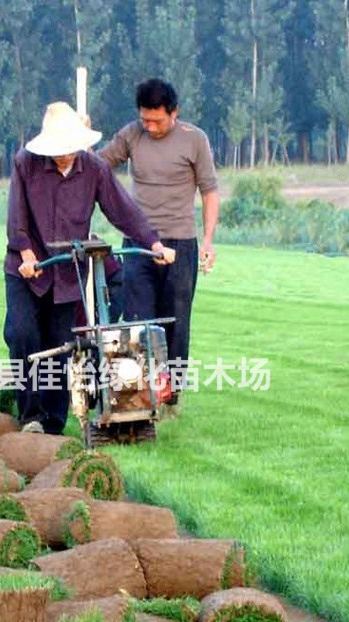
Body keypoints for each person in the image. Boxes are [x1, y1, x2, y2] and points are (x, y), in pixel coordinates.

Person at [4, 101, 174, 435]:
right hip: (28, 269)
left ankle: (52, 424)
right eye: (59, 150)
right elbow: (16, 215)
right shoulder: (26, 163)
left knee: (61, 344)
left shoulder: (94, 169)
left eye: (70, 149)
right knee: (24, 336)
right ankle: (30, 417)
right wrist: (25, 253)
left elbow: (123, 210)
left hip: (68, 271)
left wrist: (153, 244)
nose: (65, 156)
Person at [99, 78, 220, 405]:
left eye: (157, 120)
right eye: (145, 120)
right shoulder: (131, 135)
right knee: (138, 321)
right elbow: (97, 165)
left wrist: (208, 241)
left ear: (174, 112)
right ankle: (139, 392)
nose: (150, 127)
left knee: (176, 321)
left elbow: (209, 191)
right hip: (139, 243)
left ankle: (171, 394)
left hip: (181, 243)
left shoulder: (195, 140)